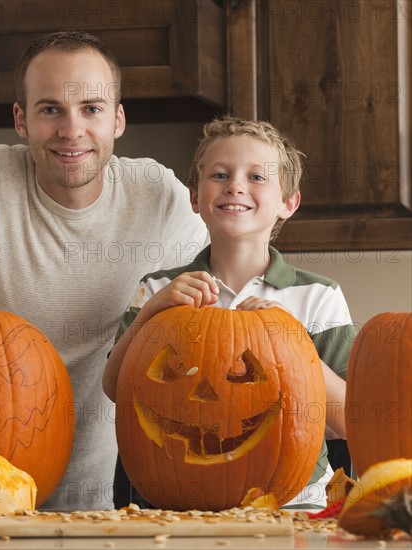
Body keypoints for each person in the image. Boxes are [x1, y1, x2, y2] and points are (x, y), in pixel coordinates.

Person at [0, 30, 208, 512]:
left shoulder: (157, 195)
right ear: (21, 119)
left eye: (92, 109)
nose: (71, 129)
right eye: (50, 109)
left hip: (102, 497)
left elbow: (224, 286)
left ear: (118, 119)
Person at [103, 114, 354, 509]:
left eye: (256, 177)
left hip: (295, 506)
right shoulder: (158, 289)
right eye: (219, 175)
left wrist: (291, 345)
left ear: (289, 203)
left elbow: (349, 421)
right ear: (195, 197)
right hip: (175, 507)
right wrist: (153, 311)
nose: (235, 185)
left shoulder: (317, 296)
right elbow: (115, 387)